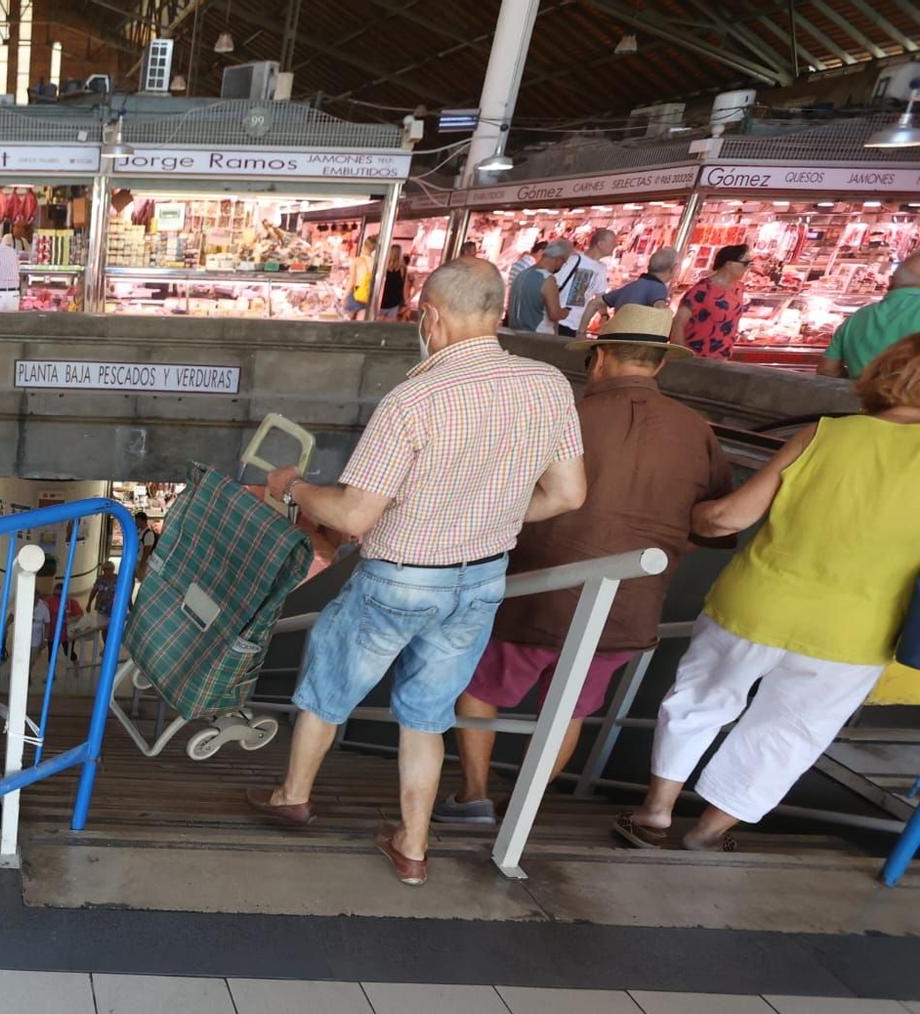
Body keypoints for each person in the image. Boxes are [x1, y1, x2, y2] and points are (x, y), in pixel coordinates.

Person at [254, 259, 586, 885]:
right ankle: (412, 845)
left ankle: (293, 797)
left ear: (430, 316)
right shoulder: (549, 385)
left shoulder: (414, 399)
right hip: (481, 579)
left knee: (331, 686)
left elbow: (353, 514)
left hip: (401, 576)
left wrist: (296, 487)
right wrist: (491, 517)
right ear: (501, 312)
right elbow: (569, 494)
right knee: (428, 714)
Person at [617, 333, 920, 852]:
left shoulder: (825, 435)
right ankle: (709, 833)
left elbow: (728, 518)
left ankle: (656, 812)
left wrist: (682, 515)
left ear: (885, 372)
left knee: (700, 701)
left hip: (757, 602)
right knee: (789, 732)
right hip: (856, 633)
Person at [440, 305, 734, 824]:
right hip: (626, 609)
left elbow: (501, 494)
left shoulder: (565, 415)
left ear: (597, 359)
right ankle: (519, 811)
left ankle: (474, 796)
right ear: (661, 365)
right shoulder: (696, 431)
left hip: (533, 595)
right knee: (568, 710)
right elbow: (709, 522)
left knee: (479, 687)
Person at [818, 252, 920, 378]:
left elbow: (827, 370)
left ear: (890, 281)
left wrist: (860, 383)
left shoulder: (858, 316)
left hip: (863, 396)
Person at [670, 244, 752, 360]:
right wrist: (683, 356)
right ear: (729, 264)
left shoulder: (739, 288)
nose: (747, 267)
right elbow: (678, 323)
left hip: (722, 358)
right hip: (697, 358)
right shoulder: (702, 290)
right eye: (745, 263)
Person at [581, 246, 680, 330]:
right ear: (675, 269)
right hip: (635, 345)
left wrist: (581, 332)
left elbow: (595, 303)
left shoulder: (631, 286)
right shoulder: (659, 288)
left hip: (616, 339)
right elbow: (660, 308)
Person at [554, 227, 615, 336]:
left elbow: (599, 297)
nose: (615, 245)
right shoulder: (573, 260)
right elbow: (554, 285)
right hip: (559, 321)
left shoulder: (601, 268)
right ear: (600, 244)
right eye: (612, 242)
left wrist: (604, 315)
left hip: (577, 325)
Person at [506, 239, 570, 334]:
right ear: (558, 259)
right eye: (564, 262)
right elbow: (554, 314)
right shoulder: (548, 279)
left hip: (516, 332)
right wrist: (565, 312)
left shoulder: (522, 274)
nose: (562, 266)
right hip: (537, 335)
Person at [378, 244, 408, 319]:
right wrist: (405, 302)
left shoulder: (383, 267)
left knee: (376, 326)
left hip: (381, 301)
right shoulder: (403, 269)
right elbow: (404, 288)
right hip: (394, 302)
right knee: (389, 328)